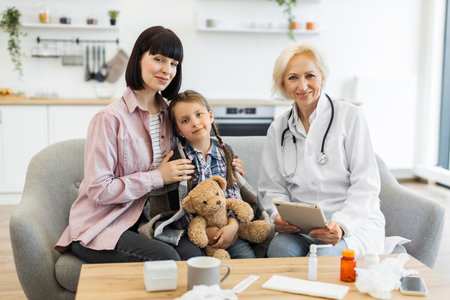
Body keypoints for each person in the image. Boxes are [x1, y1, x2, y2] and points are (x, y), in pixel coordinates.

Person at [55, 26, 201, 262]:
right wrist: (158, 177)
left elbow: (194, 152)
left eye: (174, 63)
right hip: (102, 226)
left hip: (150, 222)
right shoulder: (109, 119)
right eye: (159, 59)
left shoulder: (171, 115)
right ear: (138, 59)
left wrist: (225, 162)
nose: (167, 70)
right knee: (168, 259)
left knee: (195, 256)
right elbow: (98, 189)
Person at [258, 43, 385, 258]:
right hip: (301, 228)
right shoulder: (278, 129)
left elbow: (366, 184)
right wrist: (278, 217)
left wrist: (342, 225)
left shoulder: (351, 117)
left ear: (322, 78)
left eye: (310, 75)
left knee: (327, 259)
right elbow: (271, 187)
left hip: (350, 224)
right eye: (292, 78)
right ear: (283, 83)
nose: (302, 85)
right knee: (279, 250)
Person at [168, 90, 257, 259]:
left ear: (210, 116)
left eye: (199, 115)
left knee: (247, 259)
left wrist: (233, 225)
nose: (195, 123)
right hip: (196, 232)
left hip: (229, 227)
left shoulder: (225, 153)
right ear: (178, 130)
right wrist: (201, 230)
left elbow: (233, 192)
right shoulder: (178, 159)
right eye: (185, 120)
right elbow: (180, 204)